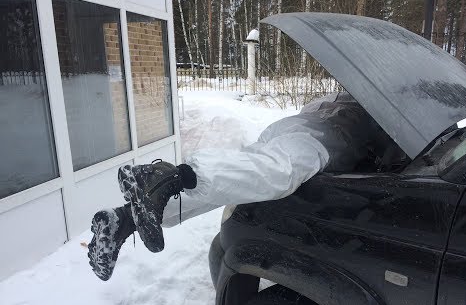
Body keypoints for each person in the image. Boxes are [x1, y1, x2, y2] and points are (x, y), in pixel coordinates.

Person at [88, 92, 401, 281]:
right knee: (280, 174)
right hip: (320, 140)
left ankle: (125, 219)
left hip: (299, 132)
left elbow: (312, 108)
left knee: (238, 182)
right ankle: (164, 178)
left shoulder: (355, 95)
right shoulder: (381, 106)